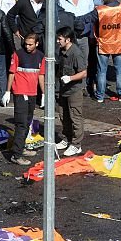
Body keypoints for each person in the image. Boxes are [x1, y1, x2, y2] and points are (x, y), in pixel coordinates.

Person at [4, 32, 44, 165]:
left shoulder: (40, 57)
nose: (27, 46)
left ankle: (21, 147)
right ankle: (16, 154)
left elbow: (41, 76)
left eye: (30, 44)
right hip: (20, 93)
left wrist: (43, 93)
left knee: (27, 122)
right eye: (26, 44)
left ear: (37, 44)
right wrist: (7, 91)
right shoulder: (18, 54)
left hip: (32, 93)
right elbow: (12, 73)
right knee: (21, 124)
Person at [54, 27, 87, 157]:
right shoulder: (62, 51)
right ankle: (67, 138)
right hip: (63, 89)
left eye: (60, 39)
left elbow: (83, 73)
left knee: (75, 117)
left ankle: (76, 144)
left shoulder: (76, 53)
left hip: (74, 90)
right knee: (64, 116)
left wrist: (70, 78)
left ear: (67, 40)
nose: (57, 41)